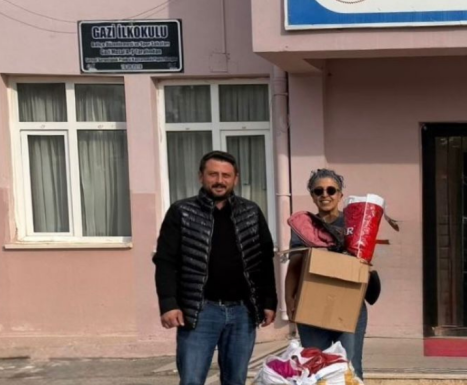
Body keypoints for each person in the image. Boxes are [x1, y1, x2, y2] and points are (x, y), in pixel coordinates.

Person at [154, 151, 277, 385]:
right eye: (213, 174)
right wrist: (168, 304)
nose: (220, 180)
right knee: (192, 380)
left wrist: (269, 301)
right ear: (201, 176)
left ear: (235, 179)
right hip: (199, 311)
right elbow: (165, 261)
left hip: (243, 312)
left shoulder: (251, 212)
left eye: (226, 175)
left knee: (235, 380)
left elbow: (264, 260)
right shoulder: (182, 212)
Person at [285, 169, 381, 380]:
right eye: (318, 191)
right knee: (315, 370)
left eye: (331, 190)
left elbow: (365, 262)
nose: (325, 195)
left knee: (349, 369)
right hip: (311, 307)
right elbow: (294, 265)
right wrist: (290, 301)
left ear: (340, 195)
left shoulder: (355, 224)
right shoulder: (305, 227)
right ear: (312, 196)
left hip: (350, 307)